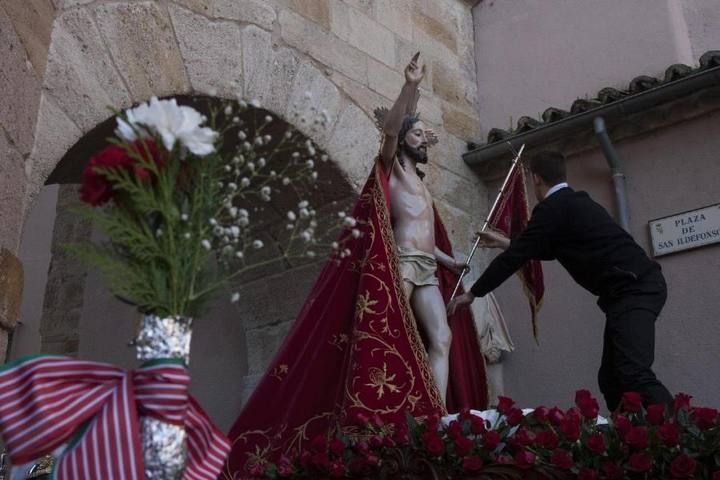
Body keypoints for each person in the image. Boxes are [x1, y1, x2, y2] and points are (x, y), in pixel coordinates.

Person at [448, 150, 672, 411]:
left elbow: (516, 259)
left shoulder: (553, 209)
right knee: (611, 379)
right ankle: (628, 441)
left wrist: (472, 293)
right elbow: (551, 248)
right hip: (632, 290)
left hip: (635, 290)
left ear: (536, 178)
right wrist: (507, 242)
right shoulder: (573, 203)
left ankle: (683, 438)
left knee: (633, 372)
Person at [379, 53, 468, 404]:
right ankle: (386, 403)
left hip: (427, 268)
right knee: (390, 330)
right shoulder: (392, 170)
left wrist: (449, 263)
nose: (424, 138)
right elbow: (389, 129)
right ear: (404, 139)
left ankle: (438, 413)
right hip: (401, 262)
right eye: (416, 133)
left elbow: (427, 238)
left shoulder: (422, 185)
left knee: (441, 338)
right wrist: (410, 86)